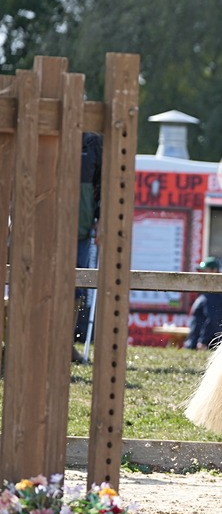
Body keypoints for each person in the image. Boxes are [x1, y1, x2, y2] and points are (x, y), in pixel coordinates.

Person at [73, 131, 103, 363]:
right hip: (43, 229)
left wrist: (101, 219)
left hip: (80, 229)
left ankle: (66, 343)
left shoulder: (93, 142)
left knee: (76, 287)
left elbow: (101, 184)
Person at [184, 257, 222, 351]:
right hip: (199, 343)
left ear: (214, 271)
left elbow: (212, 320)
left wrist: (203, 342)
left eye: (204, 271)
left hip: (204, 346)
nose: (201, 275)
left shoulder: (214, 295)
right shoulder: (210, 292)